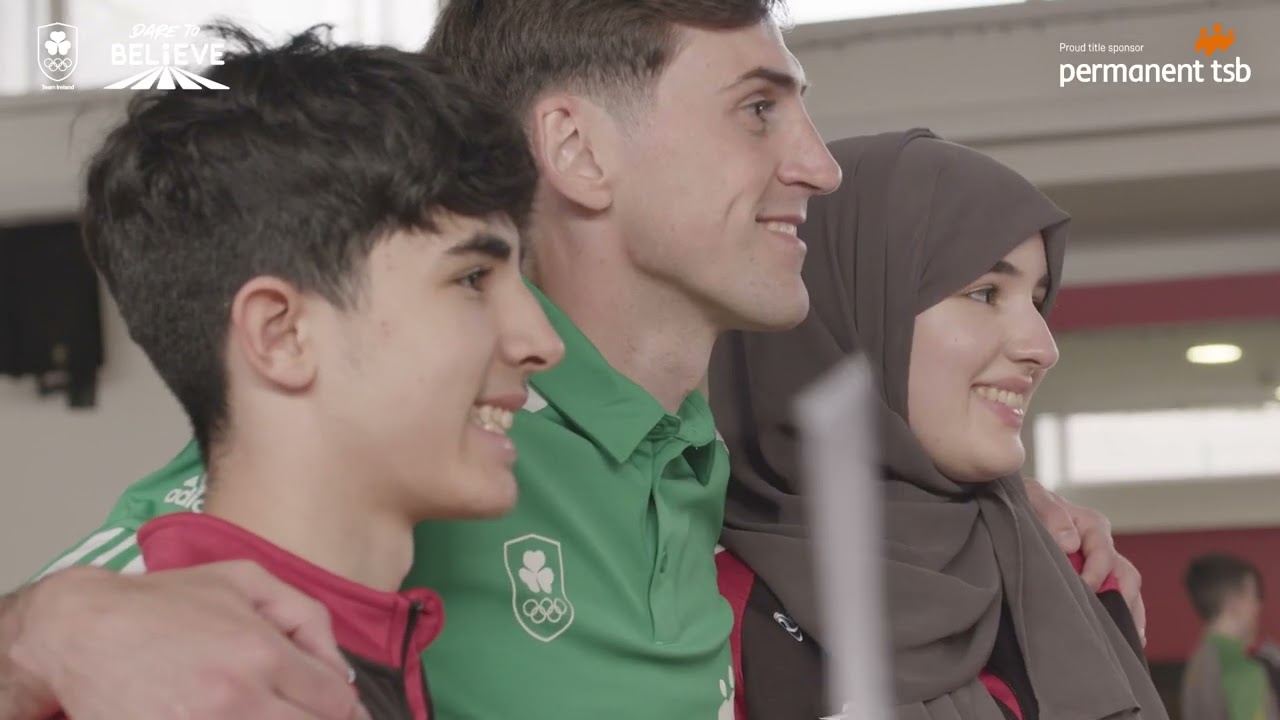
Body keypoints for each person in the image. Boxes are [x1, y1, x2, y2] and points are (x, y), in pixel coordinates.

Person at [0, 4, 1142, 718]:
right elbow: (185, 542)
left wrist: (1007, 506)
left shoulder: (712, 462)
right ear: (577, 150)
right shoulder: (443, 436)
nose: (817, 165)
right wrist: (48, 633)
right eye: (757, 109)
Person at [34, 23, 563, 720]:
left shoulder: (346, 642)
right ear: (280, 335)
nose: (542, 342)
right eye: (471, 277)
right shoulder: (166, 688)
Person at [709, 129, 1167, 720]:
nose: (1042, 346)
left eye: (1037, 299)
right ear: (849, 317)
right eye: (983, 294)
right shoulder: (702, 610)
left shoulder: (1073, 577)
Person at [1182, 553, 1277, 720]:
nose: (1258, 607)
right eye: (1254, 596)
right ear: (1234, 601)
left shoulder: (1198, 661)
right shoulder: (1242, 666)